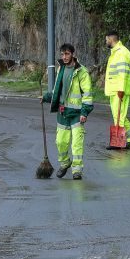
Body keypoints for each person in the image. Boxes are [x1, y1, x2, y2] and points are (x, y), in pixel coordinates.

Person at [43, 43, 93, 180]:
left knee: (76, 144)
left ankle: (77, 170)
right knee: (60, 142)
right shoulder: (61, 69)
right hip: (63, 113)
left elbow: (87, 94)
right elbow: (57, 91)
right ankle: (65, 164)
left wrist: (84, 112)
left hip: (77, 114)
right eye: (62, 54)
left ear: (73, 54)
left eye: (67, 54)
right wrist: (47, 97)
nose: (64, 57)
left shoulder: (81, 72)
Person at [104, 31, 130, 149]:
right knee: (118, 115)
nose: (106, 42)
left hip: (119, 89)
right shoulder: (115, 52)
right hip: (115, 89)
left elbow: (122, 73)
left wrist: (120, 89)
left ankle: (118, 141)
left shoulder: (121, 52)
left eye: (106, 39)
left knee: (119, 115)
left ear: (111, 39)